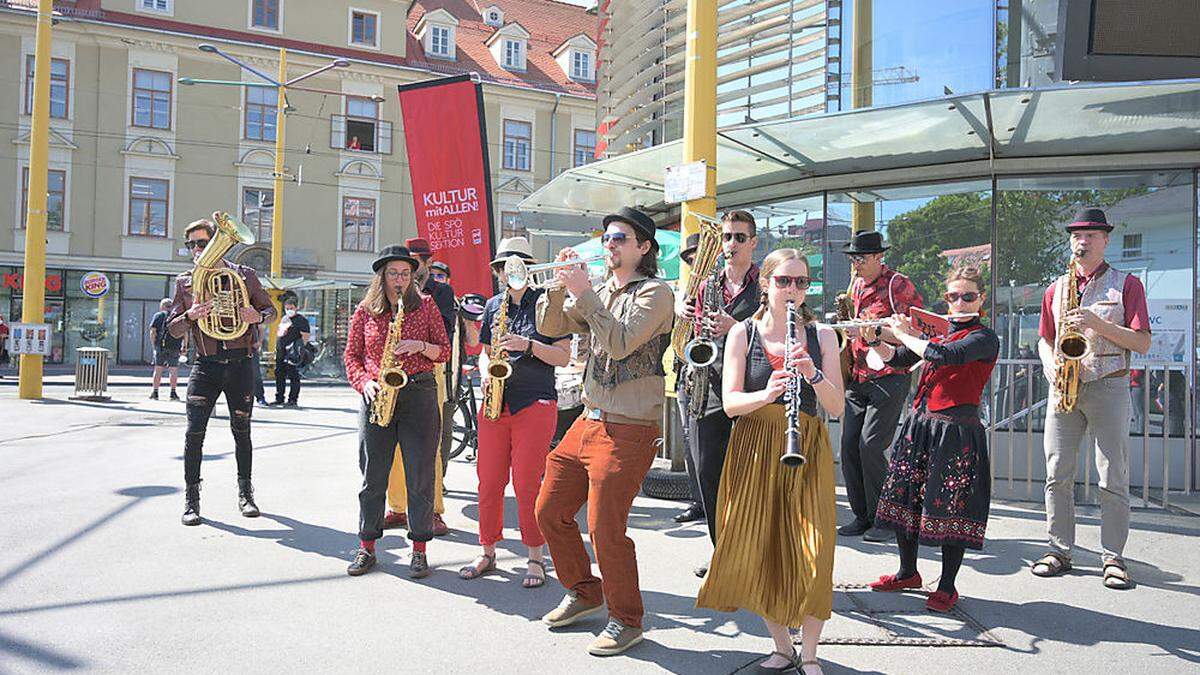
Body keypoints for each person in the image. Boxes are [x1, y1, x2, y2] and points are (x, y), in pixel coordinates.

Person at [534, 206, 674, 656]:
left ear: (643, 247)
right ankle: (583, 590)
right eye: (606, 238)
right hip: (589, 419)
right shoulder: (597, 291)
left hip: (631, 426)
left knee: (605, 528)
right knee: (548, 511)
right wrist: (560, 288)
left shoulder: (655, 293)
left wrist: (585, 294)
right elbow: (549, 327)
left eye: (618, 238)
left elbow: (618, 343)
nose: (608, 245)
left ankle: (626, 619)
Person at [696, 248, 843, 675]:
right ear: (767, 284)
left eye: (801, 282)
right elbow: (729, 403)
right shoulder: (742, 332)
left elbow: (836, 407)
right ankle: (782, 646)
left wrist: (813, 373)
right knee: (761, 549)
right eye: (784, 281)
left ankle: (810, 654)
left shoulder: (824, 336)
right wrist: (767, 393)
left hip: (807, 446)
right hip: (756, 445)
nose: (792, 290)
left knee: (816, 553)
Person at [865, 266, 999, 613]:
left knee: (950, 509)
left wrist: (903, 332)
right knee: (905, 498)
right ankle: (907, 572)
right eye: (953, 296)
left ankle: (947, 586)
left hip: (956, 430)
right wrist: (875, 340)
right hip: (921, 425)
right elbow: (898, 360)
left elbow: (945, 356)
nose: (958, 302)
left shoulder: (984, 337)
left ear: (981, 298)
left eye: (968, 296)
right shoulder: (938, 334)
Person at [1032, 208, 1151, 590]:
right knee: (1056, 472)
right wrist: (1049, 362)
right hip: (1064, 386)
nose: (1082, 242)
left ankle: (1113, 557)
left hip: (1109, 384)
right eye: (1076, 237)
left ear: (1105, 240)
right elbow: (1044, 338)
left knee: (1112, 474)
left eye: (1091, 236)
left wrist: (1097, 324)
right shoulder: (1056, 287)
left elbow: (1142, 343)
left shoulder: (1126, 284)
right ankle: (1058, 549)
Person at [459, 237, 572, 589]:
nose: (507, 272)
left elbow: (563, 356)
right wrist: (485, 369)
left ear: (526, 267)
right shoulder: (494, 305)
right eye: (501, 267)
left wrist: (528, 346)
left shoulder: (548, 303)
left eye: (514, 265)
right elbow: (484, 349)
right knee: (489, 480)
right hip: (496, 401)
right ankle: (487, 550)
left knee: (526, 482)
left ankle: (535, 556)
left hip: (534, 401)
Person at [343, 245, 450, 578]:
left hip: (419, 391)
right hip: (377, 394)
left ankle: (419, 550)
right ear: (382, 276)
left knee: (419, 476)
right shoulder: (365, 311)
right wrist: (366, 384)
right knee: (373, 476)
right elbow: (352, 358)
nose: (400, 280)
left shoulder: (427, 306)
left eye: (406, 273)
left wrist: (419, 346)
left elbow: (444, 350)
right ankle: (367, 547)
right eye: (394, 273)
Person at [167, 218, 277, 526]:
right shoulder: (185, 282)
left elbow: (271, 312)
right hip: (205, 366)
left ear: (218, 242)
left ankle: (246, 494)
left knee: (242, 432)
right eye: (192, 245)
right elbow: (173, 329)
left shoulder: (245, 275)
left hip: (241, 364)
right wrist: (189, 316)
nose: (197, 250)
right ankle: (192, 500)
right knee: (194, 433)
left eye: (202, 243)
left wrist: (256, 315)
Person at [676, 210, 763, 555]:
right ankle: (722, 554)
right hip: (708, 385)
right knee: (708, 474)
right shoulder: (706, 284)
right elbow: (688, 337)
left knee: (749, 478)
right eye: (727, 237)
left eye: (739, 238)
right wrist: (683, 314)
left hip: (752, 389)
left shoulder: (767, 284)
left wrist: (736, 325)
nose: (730, 245)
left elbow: (777, 328)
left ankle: (752, 554)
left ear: (753, 243)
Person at [837, 231, 923, 542]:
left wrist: (873, 331)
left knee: (870, 446)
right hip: (858, 375)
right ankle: (863, 515)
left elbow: (914, 331)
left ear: (878, 257)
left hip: (889, 374)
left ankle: (886, 519)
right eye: (852, 259)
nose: (855, 264)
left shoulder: (898, 284)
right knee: (849, 447)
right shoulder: (855, 286)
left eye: (860, 258)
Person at [382, 237, 457, 537]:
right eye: (407, 263)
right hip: (393, 370)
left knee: (428, 444)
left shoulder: (441, 292)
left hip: (429, 371)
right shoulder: (390, 291)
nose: (411, 270)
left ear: (426, 263)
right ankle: (397, 507)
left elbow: (446, 338)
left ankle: (434, 511)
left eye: (417, 262)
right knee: (391, 444)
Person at [671, 233, 705, 525]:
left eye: (701, 255)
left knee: (710, 443)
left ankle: (714, 500)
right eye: (692, 257)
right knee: (688, 439)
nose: (697, 260)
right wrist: (677, 309)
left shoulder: (718, 286)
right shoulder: (685, 288)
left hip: (713, 373)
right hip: (686, 372)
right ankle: (698, 501)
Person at [272, 293, 310, 408]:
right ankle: (279, 398)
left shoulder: (301, 320)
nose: (289, 310)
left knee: (293, 376)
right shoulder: (284, 318)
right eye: (287, 308)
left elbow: (305, 336)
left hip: (292, 353)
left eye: (291, 308)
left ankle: (293, 399)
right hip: (281, 351)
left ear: (296, 308)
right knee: (279, 374)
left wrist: (299, 351)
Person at [149, 298, 186, 400]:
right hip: (175, 346)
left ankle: (155, 393)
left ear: (162, 306)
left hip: (160, 346)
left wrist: (154, 346)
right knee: (173, 370)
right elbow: (184, 332)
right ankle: (173, 393)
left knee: (158, 369)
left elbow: (153, 331)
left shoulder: (158, 315)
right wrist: (184, 346)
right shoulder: (177, 316)